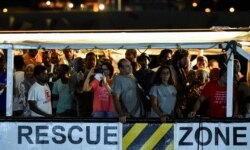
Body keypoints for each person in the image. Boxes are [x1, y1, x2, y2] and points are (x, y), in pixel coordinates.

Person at [112, 58, 144, 123]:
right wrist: (121, 114)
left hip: (138, 114)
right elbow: (116, 98)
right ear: (121, 69)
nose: (130, 67)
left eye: (130, 65)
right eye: (127, 66)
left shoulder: (132, 76)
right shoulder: (118, 79)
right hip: (127, 116)